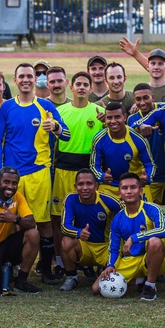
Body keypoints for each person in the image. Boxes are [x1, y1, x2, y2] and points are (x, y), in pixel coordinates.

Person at [0, 63, 69, 281]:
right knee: (12, 221)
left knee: (43, 222)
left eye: (30, 76)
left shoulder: (45, 106)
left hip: (39, 173)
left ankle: (45, 269)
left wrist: (55, 127)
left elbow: (66, 134)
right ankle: (12, 265)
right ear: (15, 81)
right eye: (22, 76)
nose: (26, 79)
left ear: (36, 80)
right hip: (12, 177)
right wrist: (0, 174)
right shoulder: (7, 107)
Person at [52, 71, 105, 276]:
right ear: (71, 88)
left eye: (85, 84)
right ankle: (60, 261)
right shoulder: (60, 111)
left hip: (88, 171)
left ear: (91, 89)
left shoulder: (100, 112)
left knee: (89, 216)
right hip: (63, 170)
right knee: (59, 217)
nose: (81, 87)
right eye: (78, 84)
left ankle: (88, 260)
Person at [95, 172, 165, 302]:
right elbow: (114, 247)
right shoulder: (118, 218)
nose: (129, 191)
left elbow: (163, 230)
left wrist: (134, 238)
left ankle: (150, 286)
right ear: (119, 194)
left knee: (154, 242)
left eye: (133, 187)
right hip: (131, 260)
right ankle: (141, 280)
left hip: (152, 257)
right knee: (97, 288)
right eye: (124, 188)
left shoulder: (152, 209)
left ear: (140, 191)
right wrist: (110, 264)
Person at [58, 170, 122, 291]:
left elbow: (128, 215)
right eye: (81, 184)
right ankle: (72, 277)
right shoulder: (71, 199)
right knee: (66, 241)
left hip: (106, 248)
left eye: (89, 183)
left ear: (96, 185)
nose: (85, 188)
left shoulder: (108, 200)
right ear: (75, 186)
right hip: (84, 247)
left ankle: (105, 268)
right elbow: (64, 226)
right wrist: (78, 233)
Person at [90, 102, 154, 199]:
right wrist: (102, 176)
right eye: (109, 118)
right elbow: (94, 165)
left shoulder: (138, 138)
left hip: (135, 186)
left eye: (117, 117)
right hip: (110, 186)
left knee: (143, 213)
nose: (113, 121)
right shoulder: (99, 138)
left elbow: (150, 164)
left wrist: (147, 177)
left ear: (124, 117)